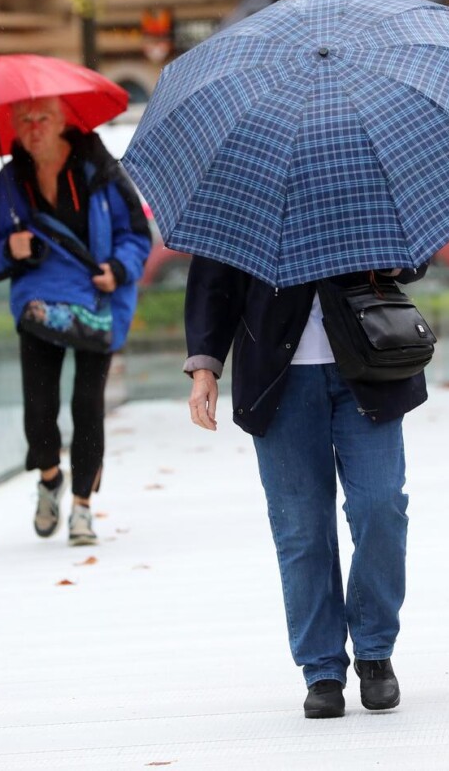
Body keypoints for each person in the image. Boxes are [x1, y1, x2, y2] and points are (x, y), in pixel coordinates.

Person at [184, 257, 427, 719]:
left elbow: (412, 250)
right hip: (277, 378)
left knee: (382, 508)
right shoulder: (243, 188)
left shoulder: (360, 182)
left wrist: (393, 263)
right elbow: (214, 278)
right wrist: (204, 368)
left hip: (369, 361)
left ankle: (375, 652)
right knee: (302, 530)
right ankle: (322, 670)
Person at [0, 97, 151, 546]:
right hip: (38, 301)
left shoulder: (98, 169)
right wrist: (7, 249)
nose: (34, 128)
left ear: (62, 121)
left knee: (87, 405)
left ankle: (83, 506)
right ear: (14, 125)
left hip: (95, 299)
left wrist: (119, 269)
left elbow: (136, 233)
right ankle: (49, 477)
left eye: (43, 118)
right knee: (39, 404)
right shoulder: (10, 182)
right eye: (25, 120)